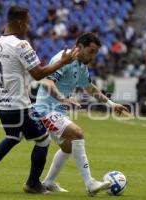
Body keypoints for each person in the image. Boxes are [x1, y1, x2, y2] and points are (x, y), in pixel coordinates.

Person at [0, 6, 79, 194]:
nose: (28, 27)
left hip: (1, 104)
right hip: (19, 105)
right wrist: (63, 62)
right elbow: (38, 74)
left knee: (13, 136)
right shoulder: (21, 45)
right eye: (28, 22)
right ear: (20, 22)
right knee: (44, 140)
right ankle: (33, 184)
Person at [34, 33, 128, 196]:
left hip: (58, 111)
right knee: (77, 133)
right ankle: (90, 183)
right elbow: (47, 82)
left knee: (68, 147)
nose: (93, 56)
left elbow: (90, 88)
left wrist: (111, 104)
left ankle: (48, 182)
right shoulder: (63, 59)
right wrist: (63, 99)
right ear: (79, 46)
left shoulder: (81, 66)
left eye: (95, 53)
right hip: (45, 110)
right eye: (91, 51)